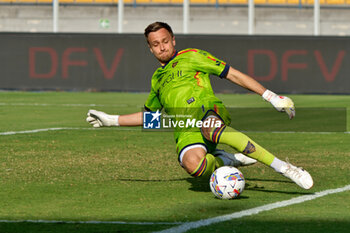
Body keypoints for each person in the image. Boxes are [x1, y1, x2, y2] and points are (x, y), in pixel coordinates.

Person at [86, 22, 313, 190]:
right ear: (150, 49)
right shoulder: (157, 79)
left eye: (165, 41)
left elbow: (232, 74)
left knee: (211, 127)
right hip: (185, 128)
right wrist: (111, 120)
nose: (162, 47)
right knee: (194, 167)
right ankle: (226, 160)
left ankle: (284, 168)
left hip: (208, 112)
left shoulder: (192, 56)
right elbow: (150, 117)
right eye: (156, 44)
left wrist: (271, 96)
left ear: (173, 40)